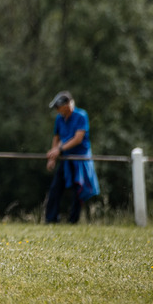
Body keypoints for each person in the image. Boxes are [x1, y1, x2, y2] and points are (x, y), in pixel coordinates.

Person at [45, 90, 100, 224]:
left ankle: (73, 221)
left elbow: (78, 139)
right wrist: (52, 157)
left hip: (80, 159)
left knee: (78, 191)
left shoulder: (81, 116)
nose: (57, 110)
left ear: (67, 105)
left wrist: (59, 150)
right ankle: (51, 220)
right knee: (55, 188)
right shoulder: (59, 119)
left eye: (58, 107)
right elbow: (56, 138)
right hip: (66, 159)